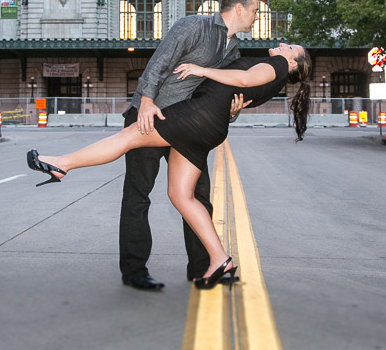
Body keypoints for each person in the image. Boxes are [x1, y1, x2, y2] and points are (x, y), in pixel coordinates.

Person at [27, 43, 312, 289]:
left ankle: (62, 163)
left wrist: (203, 70)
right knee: (181, 195)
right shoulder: (277, 81)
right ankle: (219, 259)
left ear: (292, 63)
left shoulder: (276, 64)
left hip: (195, 116)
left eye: (291, 49)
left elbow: (246, 78)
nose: (285, 46)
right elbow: (237, 94)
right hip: (210, 128)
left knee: (128, 137)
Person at [118, 0, 259, 291]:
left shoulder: (233, 51)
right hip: (151, 116)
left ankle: (202, 267)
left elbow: (216, 93)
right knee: (138, 194)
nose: (256, 16)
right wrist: (145, 101)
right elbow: (159, 63)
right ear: (239, 9)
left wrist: (233, 111)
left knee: (198, 195)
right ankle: (134, 270)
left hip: (185, 128)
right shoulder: (193, 25)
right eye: (255, 10)